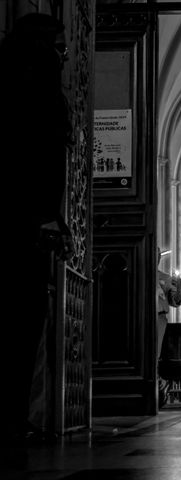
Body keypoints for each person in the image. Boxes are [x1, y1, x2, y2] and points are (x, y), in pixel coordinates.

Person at [0, 13, 74, 468]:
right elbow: (31, 162)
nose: (65, 57)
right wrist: (43, 218)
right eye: (61, 48)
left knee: (24, 324)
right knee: (19, 325)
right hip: (19, 227)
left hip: (26, 224)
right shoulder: (32, 98)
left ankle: (13, 419)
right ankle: (10, 421)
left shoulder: (31, 92)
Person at [157, 248, 181, 405]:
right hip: (139, 317)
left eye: (157, 254)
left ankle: (158, 385)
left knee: (155, 353)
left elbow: (176, 302)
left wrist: (179, 287)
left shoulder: (166, 278)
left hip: (159, 317)